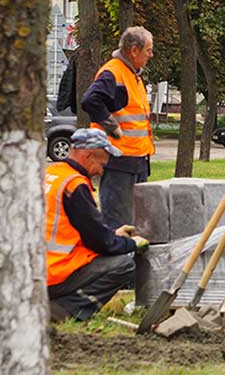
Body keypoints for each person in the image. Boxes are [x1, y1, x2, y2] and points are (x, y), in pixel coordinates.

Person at [45, 128, 149, 322]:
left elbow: (76, 228)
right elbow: (100, 243)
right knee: (123, 265)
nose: (103, 168)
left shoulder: (53, 175)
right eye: (102, 162)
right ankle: (62, 310)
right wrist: (132, 244)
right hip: (55, 272)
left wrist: (114, 233)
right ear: (88, 155)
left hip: (35, 269)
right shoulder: (75, 186)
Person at [81, 26, 155, 229]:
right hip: (119, 161)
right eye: (148, 50)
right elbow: (90, 100)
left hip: (136, 160)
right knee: (118, 222)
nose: (150, 55)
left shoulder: (131, 74)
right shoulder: (113, 73)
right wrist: (111, 126)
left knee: (135, 221)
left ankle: (129, 258)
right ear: (133, 50)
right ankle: (118, 259)